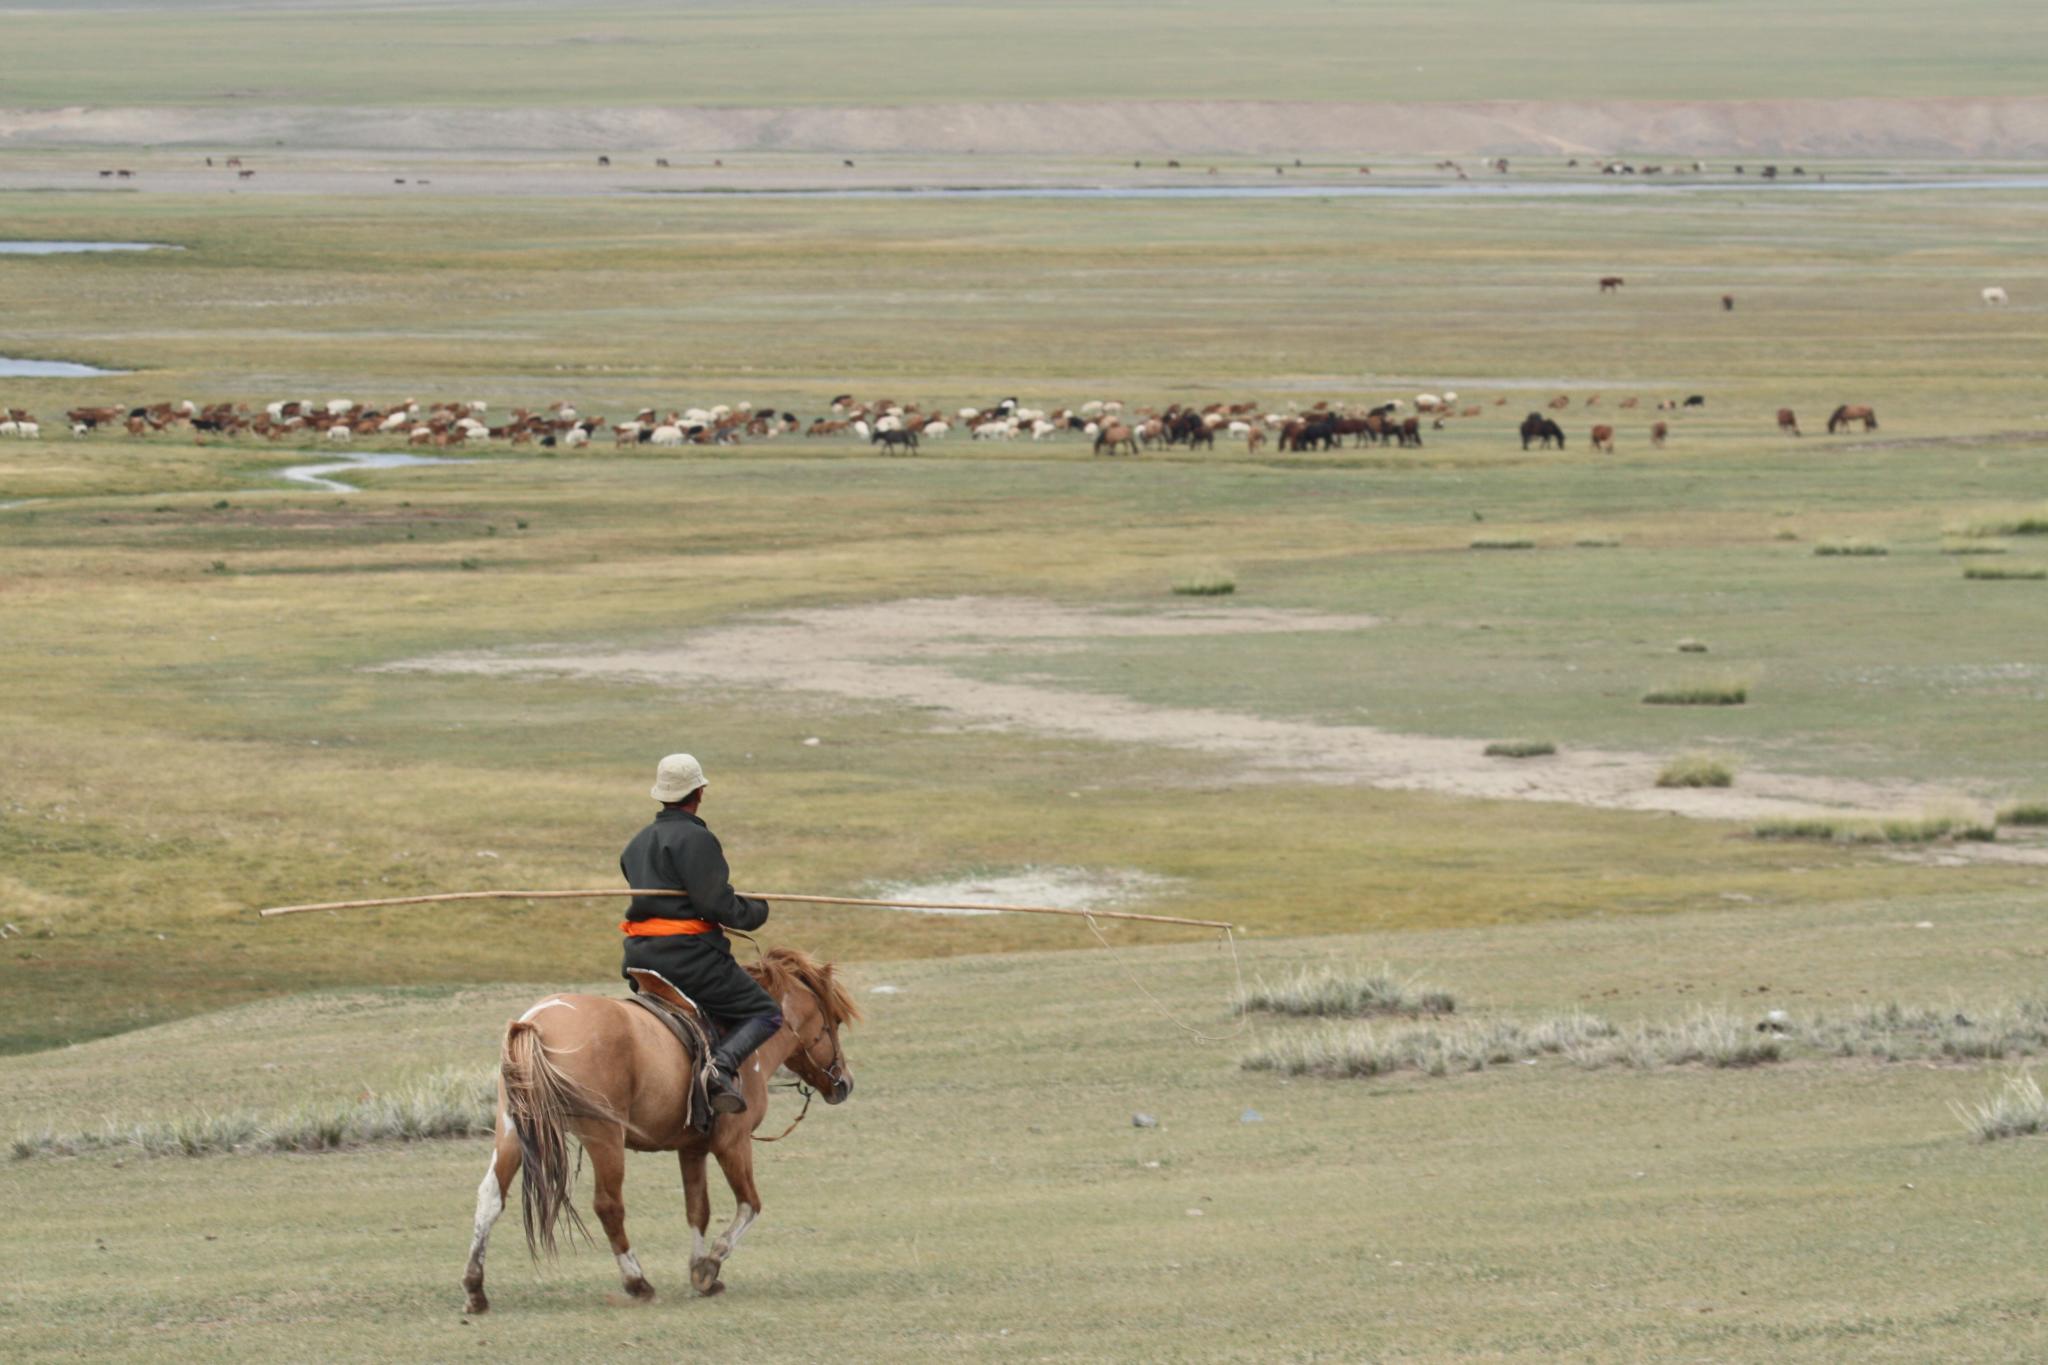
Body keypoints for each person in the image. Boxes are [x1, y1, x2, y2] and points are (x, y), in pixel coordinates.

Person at [618, 753, 779, 1114]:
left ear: (661, 793)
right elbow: (716, 906)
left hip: (641, 957)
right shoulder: (696, 839)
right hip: (688, 959)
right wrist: (756, 910)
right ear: (700, 791)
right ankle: (718, 1070)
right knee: (765, 1012)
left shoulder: (636, 844)